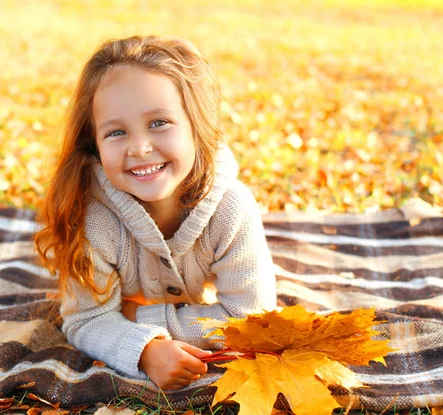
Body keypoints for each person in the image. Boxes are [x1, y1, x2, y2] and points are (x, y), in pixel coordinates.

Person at [34, 35, 276, 391]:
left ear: (196, 126)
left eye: (159, 122)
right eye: (116, 132)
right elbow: (86, 319)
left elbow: (251, 320)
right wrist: (146, 350)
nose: (140, 148)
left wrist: (137, 316)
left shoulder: (231, 208)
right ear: (95, 145)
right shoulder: (90, 218)